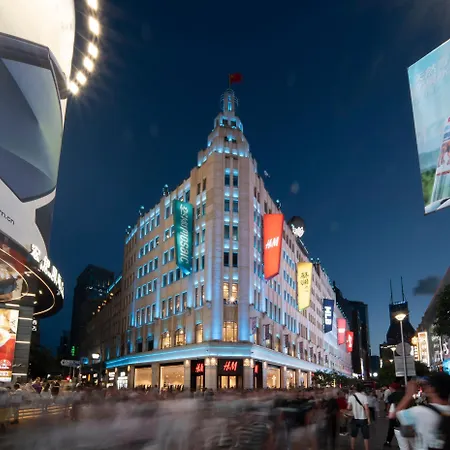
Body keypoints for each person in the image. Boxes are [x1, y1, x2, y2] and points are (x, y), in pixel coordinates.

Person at [396, 373, 450, 450]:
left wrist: (408, 395)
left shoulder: (421, 411)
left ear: (432, 388)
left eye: (427, 385)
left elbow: (397, 414)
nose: (425, 387)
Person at [347, 384, 371, 450]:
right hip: (363, 419)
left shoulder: (351, 397)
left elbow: (348, 408)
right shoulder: (364, 397)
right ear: (362, 389)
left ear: (355, 389)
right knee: (365, 436)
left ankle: (352, 448)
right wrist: (368, 419)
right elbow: (366, 408)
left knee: (353, 435)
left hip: (354, 418)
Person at [384, 382, 403, 447]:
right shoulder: (404, 393)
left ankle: (388, 442)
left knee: (391, 428)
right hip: (404, 414)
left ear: (392, 388)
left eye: (390, 388)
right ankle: (402, 442)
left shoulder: (391, 396)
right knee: (402, 428)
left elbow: (389, 405)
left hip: (394, 414)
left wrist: (387, 413)